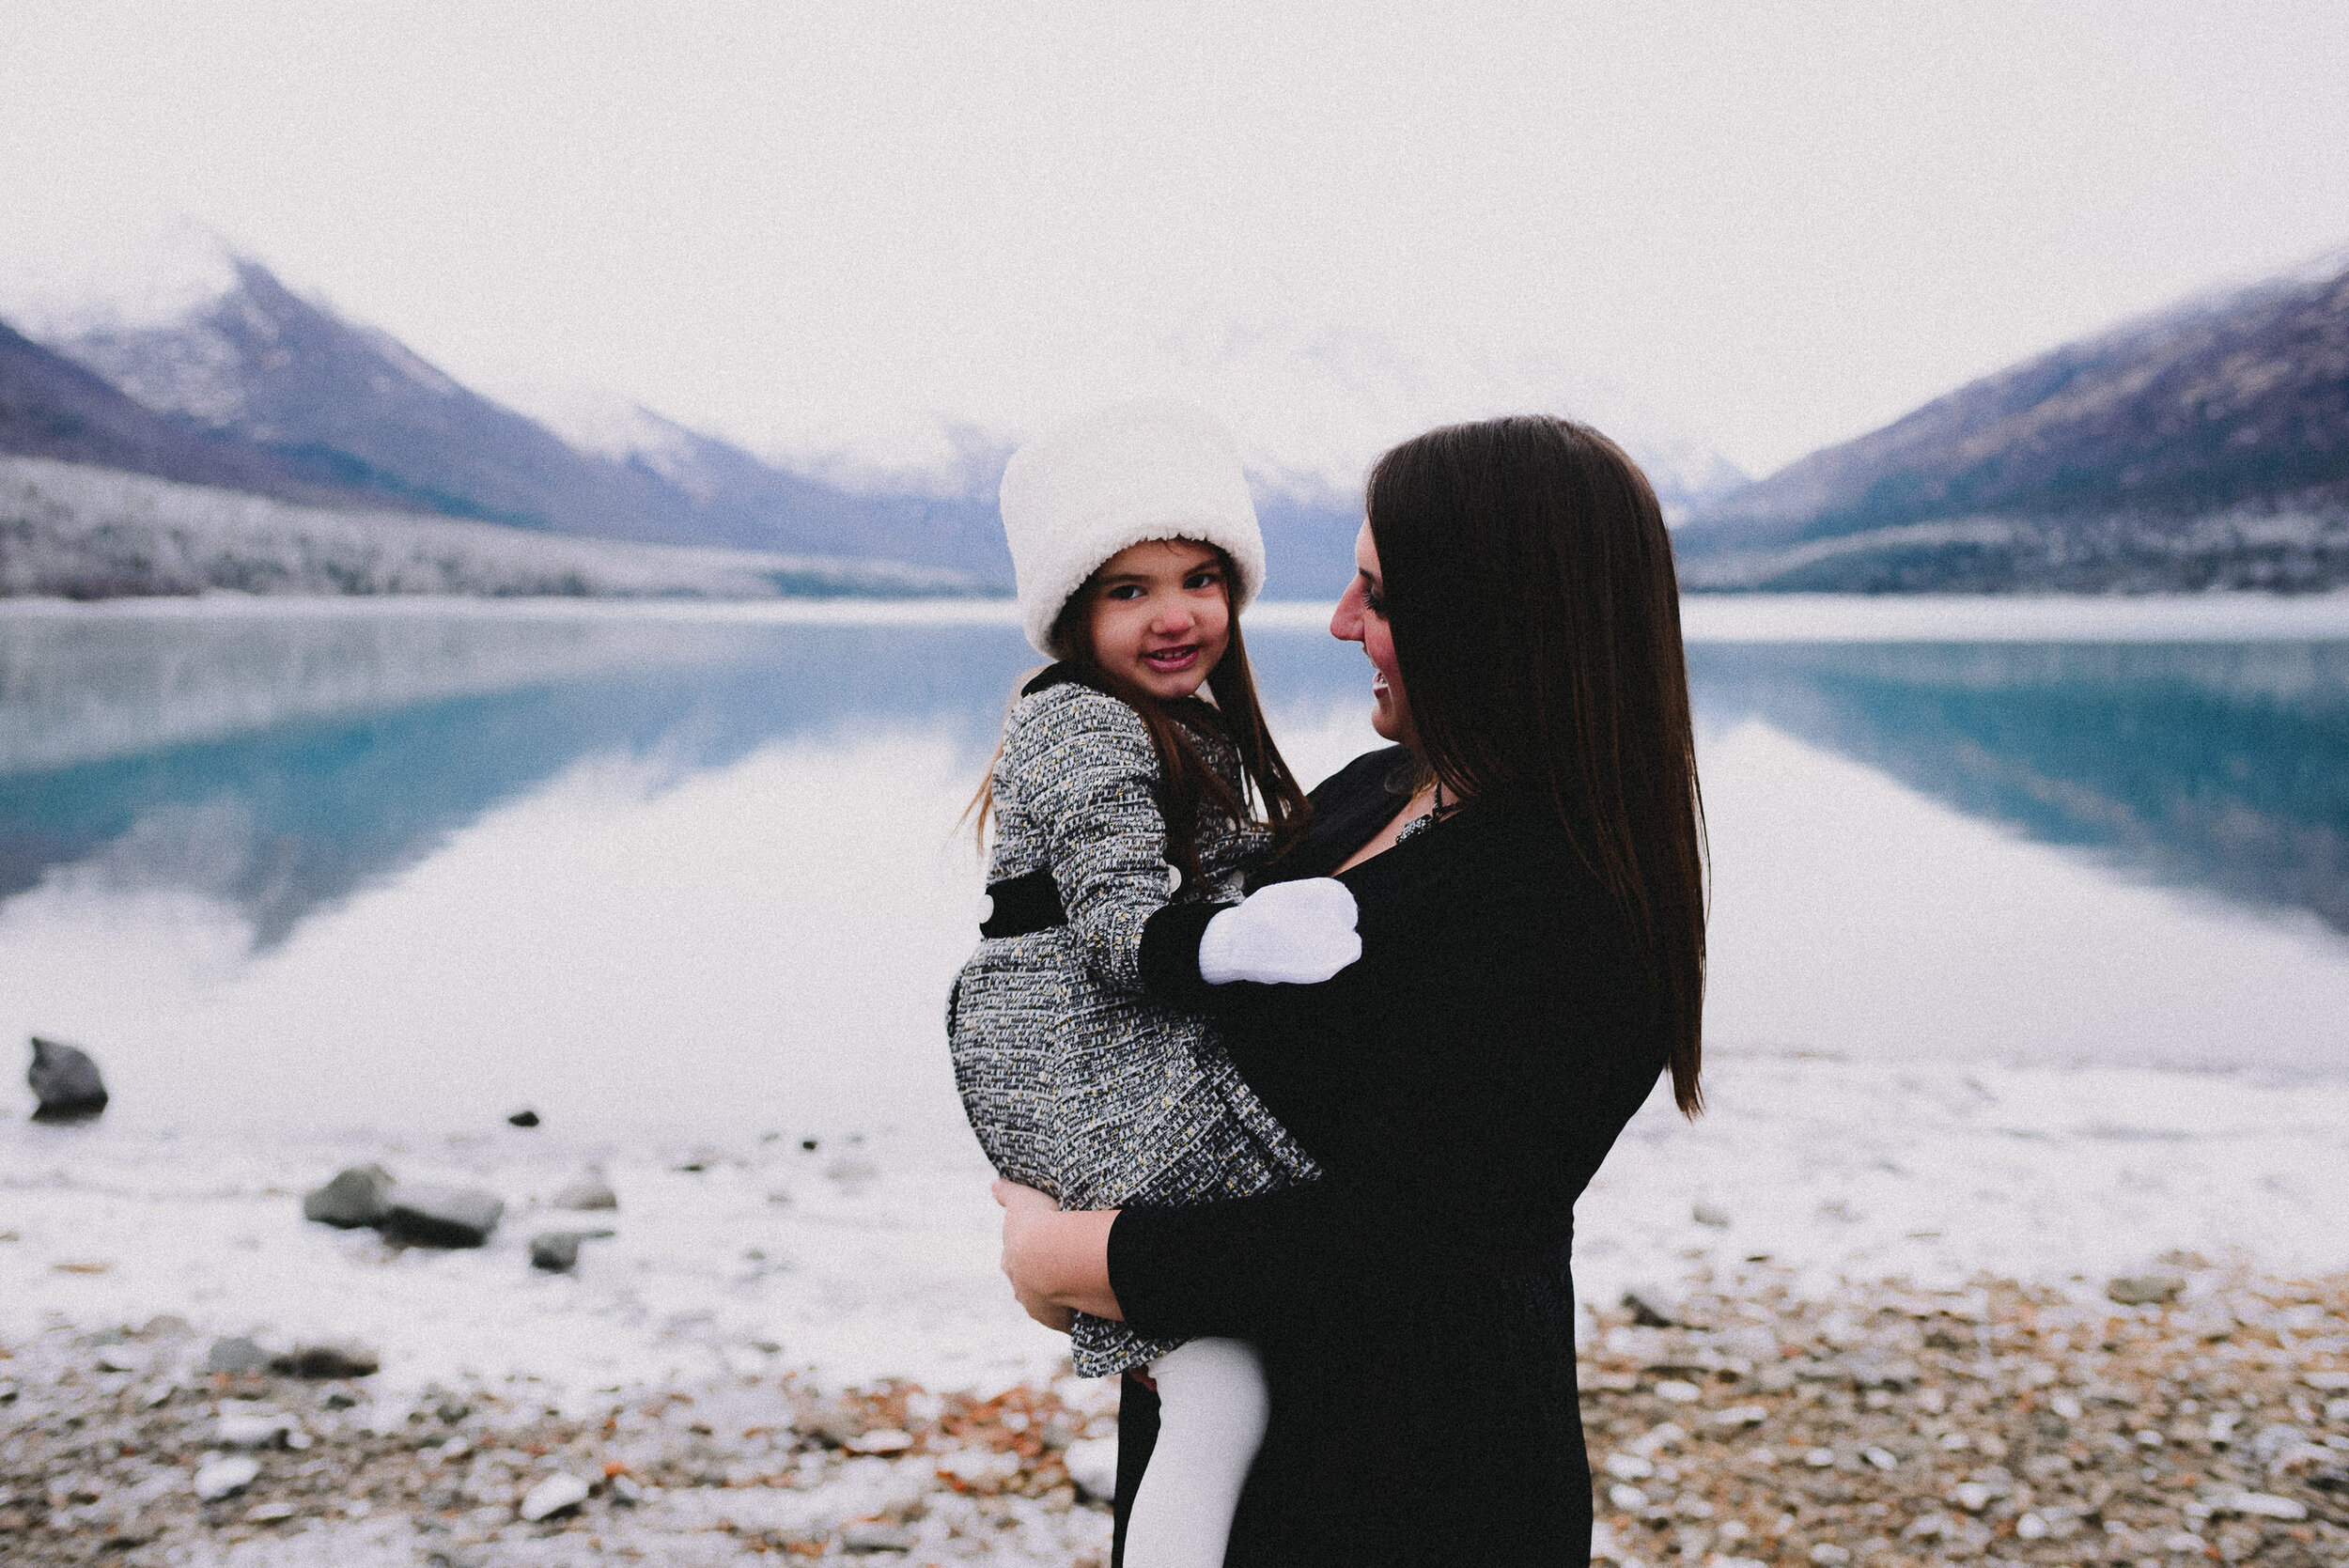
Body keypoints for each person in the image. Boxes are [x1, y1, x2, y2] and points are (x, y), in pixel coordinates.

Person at [994, 414, 1709, 1566]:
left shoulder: (1572, 899)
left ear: (1488, 618)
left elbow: (1404, 1243)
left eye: (1376, 595)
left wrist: (1074, 1257)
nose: (1336, 622)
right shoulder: (1373, 792)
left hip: (1412, 1484)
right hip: (1225, 1443)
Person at [948, 400, 1364, 1568]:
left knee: (1223, 1384)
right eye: (1127, 590)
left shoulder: (1186, 727)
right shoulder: (1080, 725)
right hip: (1077, 1058)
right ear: (1072, 615)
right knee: (1225, 1378)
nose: (1175, 614)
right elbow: (1121, 931)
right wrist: (1242, 940)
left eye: (1197, 577)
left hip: (1113, 1051)